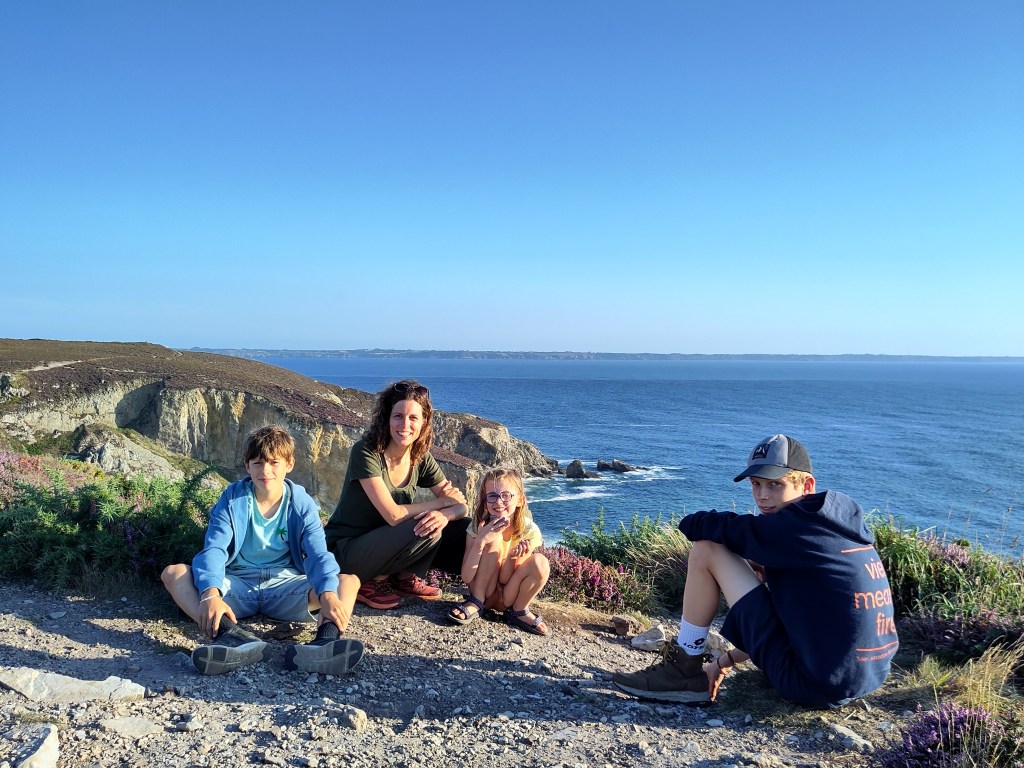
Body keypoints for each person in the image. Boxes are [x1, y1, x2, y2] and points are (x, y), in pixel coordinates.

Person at [613, 434, 899, 707]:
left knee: (706, 549)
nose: (762, 496)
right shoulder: (835, 526)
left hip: (813, 684)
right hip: (866, 676)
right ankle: (687, 669)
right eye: (756, 484)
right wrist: (724, 661)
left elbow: (696, 525)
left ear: (807, 485)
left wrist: (709, 531)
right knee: (758, 566)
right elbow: (794, 624)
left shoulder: (791, 531)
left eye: (775, 485)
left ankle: (682, 672)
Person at [161, 426, 363, 676]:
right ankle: (231, 636)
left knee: (347, 582)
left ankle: (325, 642)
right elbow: (214, 549)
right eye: (257, 463)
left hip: (285, 588)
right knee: (174, 574)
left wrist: (328, 594)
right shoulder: (232, 499)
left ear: (289, 464)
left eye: (274, 462)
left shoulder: (301, 504)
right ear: (247, 466)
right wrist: (210, 595)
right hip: (237, 586)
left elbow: (317, 554)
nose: (265, 471)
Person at [324, 380, 469, 610]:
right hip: (346, 551)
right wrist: (441, 503)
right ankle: (366, 583)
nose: (405, 424)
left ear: (424, 422)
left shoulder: (419, 456)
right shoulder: (366, 452)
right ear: (387, 418)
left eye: (413, 418)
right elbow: (393, 515)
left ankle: (403, 577)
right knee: (426, 528)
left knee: (463, 527)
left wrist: (446, 514)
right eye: (398, 416)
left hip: (385, 544)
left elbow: (461, 506)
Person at [447, 468, 550, 635]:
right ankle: (475, 602)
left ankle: (520, 610)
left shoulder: (530, 531)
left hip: (509, 596)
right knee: (493, 539)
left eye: (506, 495)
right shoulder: (477, 526)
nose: (499, 502)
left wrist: (511, 558)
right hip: (483, 592)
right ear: (485, 501)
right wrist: (481, 541)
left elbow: (504, 579)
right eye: (492, 496)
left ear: (520, 500)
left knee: (541, 562)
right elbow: (466, 576)